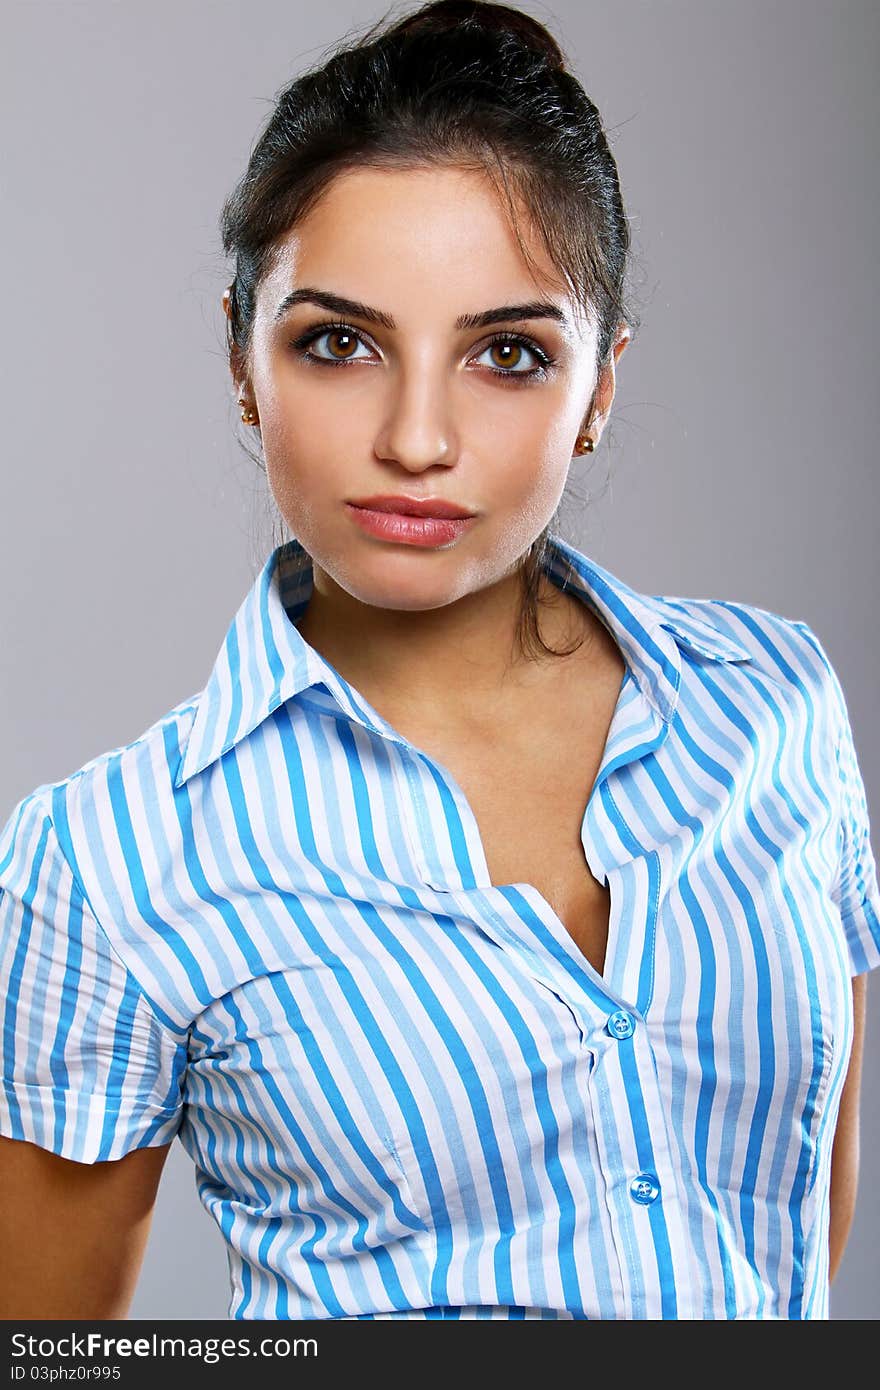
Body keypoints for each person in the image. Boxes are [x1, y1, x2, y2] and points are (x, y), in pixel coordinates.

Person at [0, 0, 877, 1323]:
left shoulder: (777, 699)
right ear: (243, 354)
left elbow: (801, 1225)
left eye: (509, 353)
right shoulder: (109, 860)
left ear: (601, 385)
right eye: (339, 342)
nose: (417, 436)